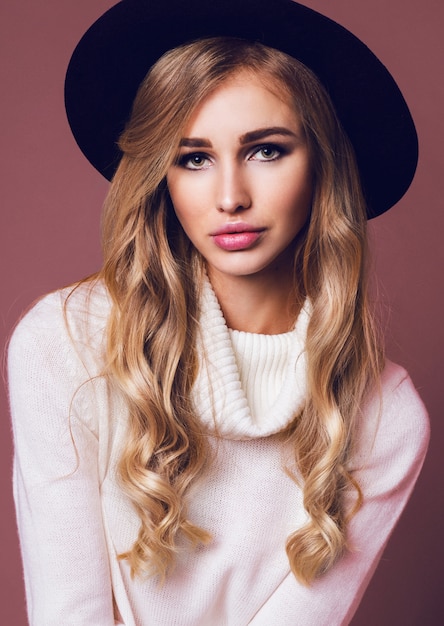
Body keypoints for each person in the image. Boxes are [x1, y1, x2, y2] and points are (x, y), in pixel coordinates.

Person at [7, 1, 429, 624]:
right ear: (162, 178)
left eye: (266, 150)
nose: (230, 197)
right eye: (194, 158)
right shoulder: (67, 341)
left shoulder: (385, 415)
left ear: (322, 167)